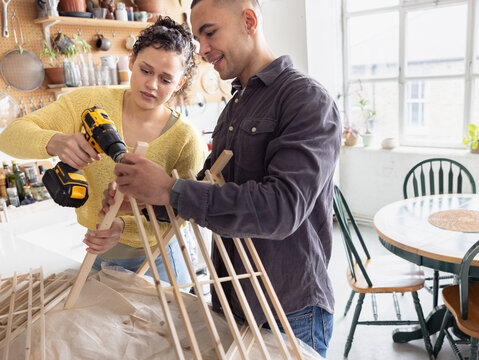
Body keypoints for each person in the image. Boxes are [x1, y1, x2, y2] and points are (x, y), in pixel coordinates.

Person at [103, 0, 341, 357]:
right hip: (231, 301)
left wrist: (170, 189)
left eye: (210, 33)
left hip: (289, 309)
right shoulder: (236, 106)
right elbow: (204, 191)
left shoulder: (306, 100)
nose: (203, 50)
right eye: (198, 38)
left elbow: (281, 209)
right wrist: (142, 198)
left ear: (249, 20)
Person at [0, 16, 205, 285]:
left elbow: (185, 214)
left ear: (179, 83)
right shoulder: (88, 103)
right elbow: (9, 137)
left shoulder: (185, 138)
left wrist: (123, 226)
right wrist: (56, 141)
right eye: (145, 70)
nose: (152, 85)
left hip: (160, 260)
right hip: (99, 255)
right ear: (131, 62)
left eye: (166, 79)